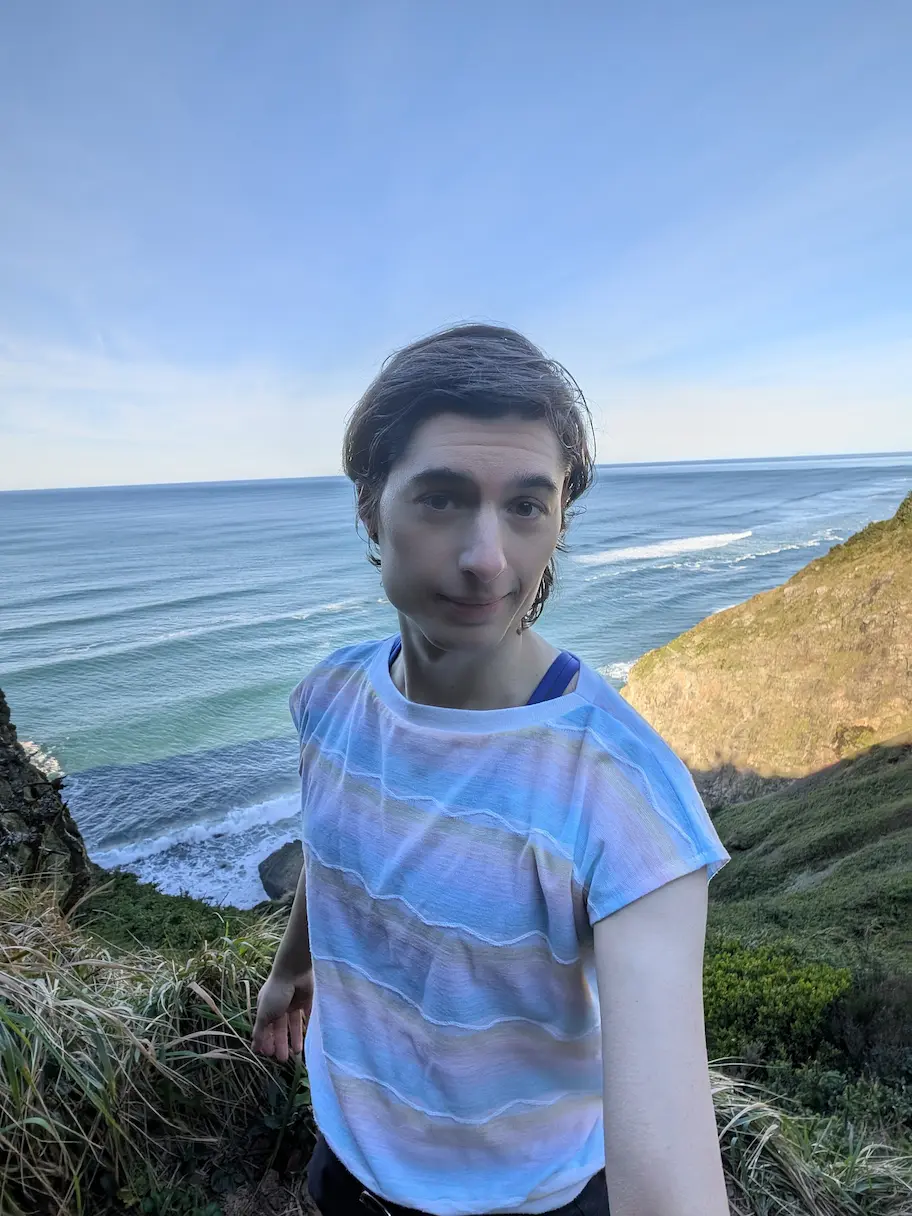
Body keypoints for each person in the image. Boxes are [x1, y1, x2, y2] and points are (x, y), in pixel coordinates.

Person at [251, 324, 732, 1216]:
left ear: (560, 518)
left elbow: (669, 1174)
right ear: (369, 507)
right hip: (348, 1164)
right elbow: (333, 842)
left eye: (525, 506)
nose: (486, 559)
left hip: (531, 1201)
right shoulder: (329, 696)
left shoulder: (625, 797)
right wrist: (296, 966)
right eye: (439, 500)